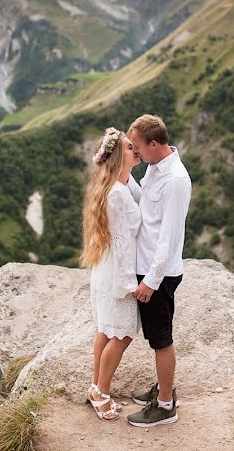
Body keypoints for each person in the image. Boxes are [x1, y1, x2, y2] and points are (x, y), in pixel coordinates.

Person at [124, 114, 191, 428]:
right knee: (156, 335)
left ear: (154, 143)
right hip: (149, 265)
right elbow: (146, 207)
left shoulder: (175, 180)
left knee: (161, 340)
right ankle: (164, 388)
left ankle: (165, 405)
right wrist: (124, 175)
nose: (135, 153)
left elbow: (170, 239)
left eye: (137, 147)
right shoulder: (154, 168)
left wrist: (151, 281)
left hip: (158, 271)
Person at [81, 127, 142, 421]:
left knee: (106, 331)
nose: (137, 150)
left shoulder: (118, 186)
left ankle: (96, 386)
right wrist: (130, 283)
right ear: (119, 155)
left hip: (104, 271)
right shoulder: (117, 195)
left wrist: (127, 174)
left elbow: (136, 195)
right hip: (117, 274)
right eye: (131, 147)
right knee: (123, 335)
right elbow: (122, 243)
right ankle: (101, 391)